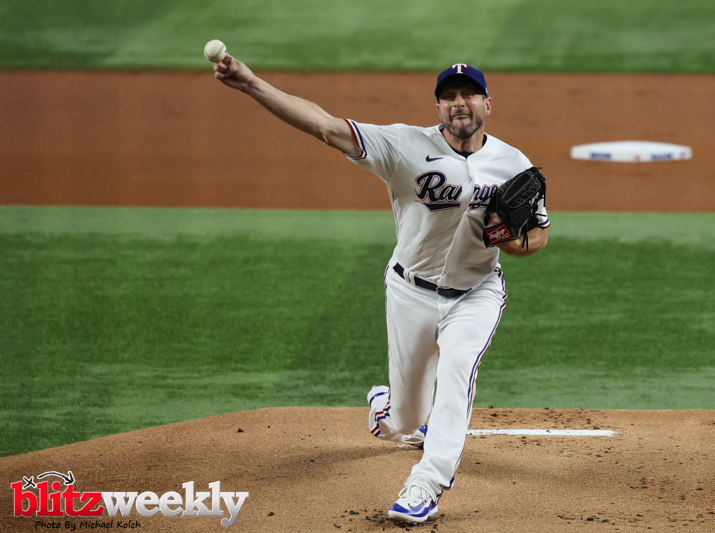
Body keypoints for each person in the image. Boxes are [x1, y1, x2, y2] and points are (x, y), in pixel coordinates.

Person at [213, 57, 549, 524]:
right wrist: (252, 84)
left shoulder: (514, 163)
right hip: (410, 292)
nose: (459, 103)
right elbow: (325, 127)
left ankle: (426, 483)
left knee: (458, 369)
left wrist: (506, 239)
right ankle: (387, 410)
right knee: (407, 421)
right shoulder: (404, 145)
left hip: (477, 293)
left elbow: (538, 235)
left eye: (469, 94)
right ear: (439, 107)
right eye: (449, 96)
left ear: (487, 104)